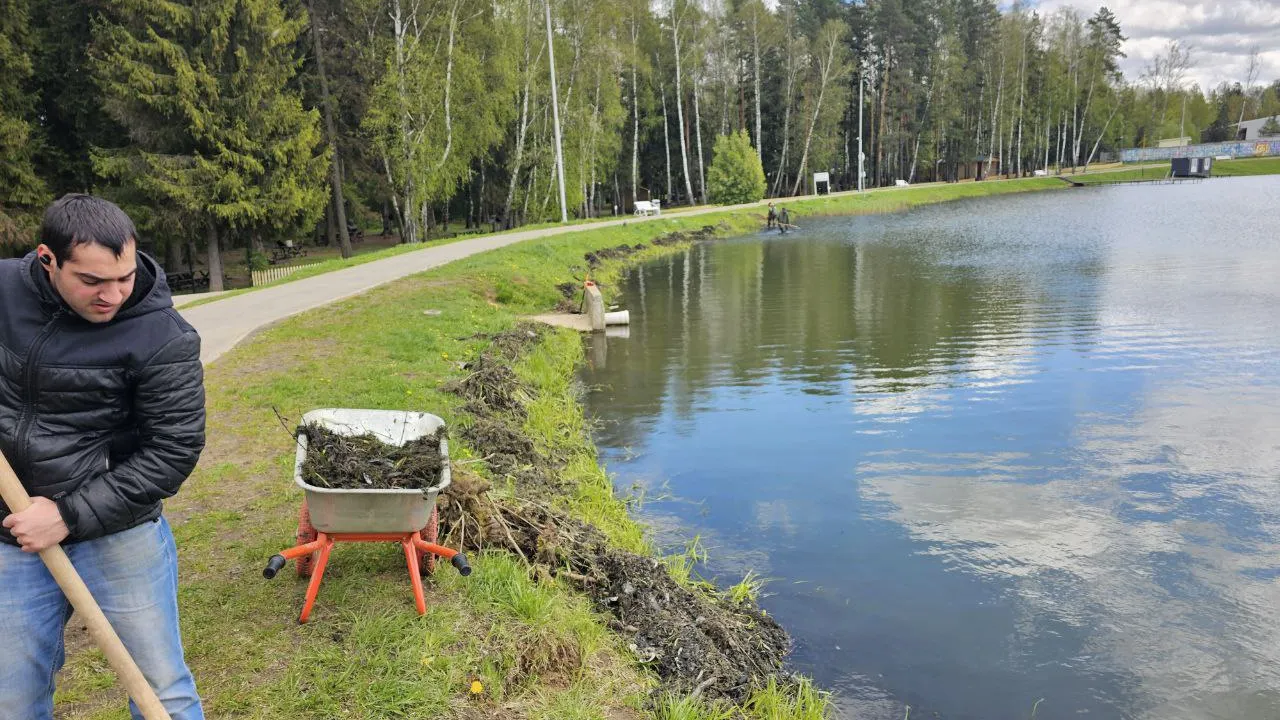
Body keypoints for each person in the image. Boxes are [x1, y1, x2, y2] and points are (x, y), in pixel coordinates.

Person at [0, 194, 206, 720]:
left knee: (162, 691)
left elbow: (173, 450)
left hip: (118, 532)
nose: (112, 295)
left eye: (125, 277)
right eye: (92, 281)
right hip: (12, 532)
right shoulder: (3, 291)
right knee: (11, 699)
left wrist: (66, 515)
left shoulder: (161, 335)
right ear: (47, 259)